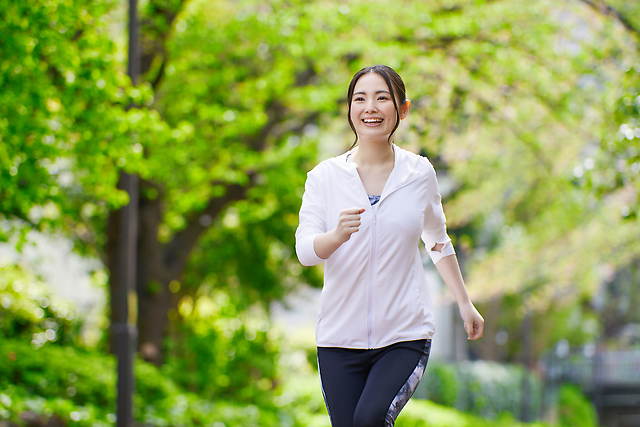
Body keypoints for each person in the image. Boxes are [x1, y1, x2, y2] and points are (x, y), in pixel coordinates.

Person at [295, 64, 484, 427]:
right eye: (360, 99)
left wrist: (464, 302)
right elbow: (304, 250)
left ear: (403, 109)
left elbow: (438, 240)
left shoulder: (419, 173)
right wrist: (335, 236)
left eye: (382, 98)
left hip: (404, 334)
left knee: (369, 419)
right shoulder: (324, 177)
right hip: (338, 337)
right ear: (349, 109)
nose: (371, 107)